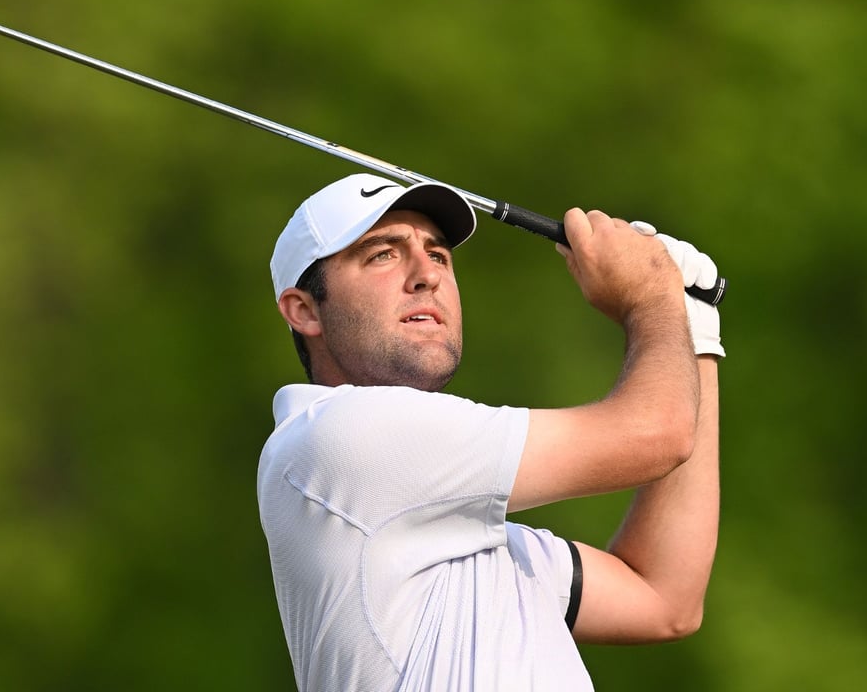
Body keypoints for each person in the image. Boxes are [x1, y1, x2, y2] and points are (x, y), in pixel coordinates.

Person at [257, 173, 722, 691]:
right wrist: (652, 295)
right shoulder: (339, 434)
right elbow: (658, 434)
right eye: (382, 254)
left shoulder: (458, 529)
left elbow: (664, 599)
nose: (426, 275)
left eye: (438, 255)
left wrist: (693, 328)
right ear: (304, 310)